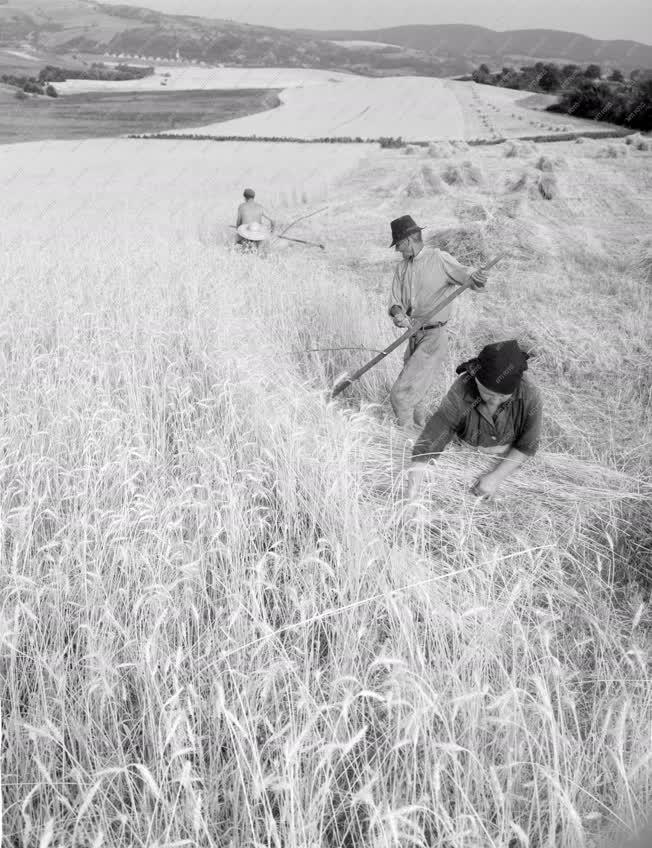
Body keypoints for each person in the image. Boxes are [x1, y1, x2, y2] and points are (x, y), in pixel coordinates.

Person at [387, 215, 489, 431]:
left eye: (398, 245)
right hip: (413, 336)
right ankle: (421, 435)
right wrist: (398, 314)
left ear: (407, 241)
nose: (397, 250)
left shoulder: (439, 259)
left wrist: (478, 277)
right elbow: (395, 302)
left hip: (434, 338)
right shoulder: (401, 269)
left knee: (401, 396)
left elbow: (466, 275)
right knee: (417, 397)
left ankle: (405, 441)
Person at [406, 339, 543, 500]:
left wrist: (496, 477)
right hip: (463, 453)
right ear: (476, 379)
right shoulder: (463, 387)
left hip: (506, 459)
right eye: (489, 394)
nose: (494, 401)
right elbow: (437, 432)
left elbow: (527, 445)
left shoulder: (530, 394)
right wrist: (412, 493)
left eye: (503, 396)